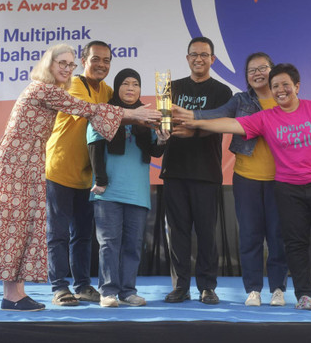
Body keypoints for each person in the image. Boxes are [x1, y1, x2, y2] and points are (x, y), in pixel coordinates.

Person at [0, 43, 161, 311]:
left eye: (70, 65)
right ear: (49, 64)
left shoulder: (88, 90)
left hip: (34, 159)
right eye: (62, 64)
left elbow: (107, 110)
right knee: (17, 225)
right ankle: (25, 293)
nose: (67, 69)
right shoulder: (44, 89)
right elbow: (87, 109)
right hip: (19, 160)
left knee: (25, 226)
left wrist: (148, 118)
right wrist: (134, 114)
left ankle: (19, 293)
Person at [180, 63, 311, 311]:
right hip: (288, 189)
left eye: (285, 85)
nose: (280, 90)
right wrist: (194, 119)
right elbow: (229, 125)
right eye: (275, 86)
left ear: (297, 86)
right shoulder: (266, 118)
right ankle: (305, 295)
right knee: (295, 244)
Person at [173, 52, 288, 307]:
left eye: (263, 68)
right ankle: (254, 290)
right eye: (251, 70)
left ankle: (278, 288)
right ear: (246, 77)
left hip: (281, 179)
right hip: (246, 178)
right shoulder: (240, 101)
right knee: (249, 235)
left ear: (273, 70)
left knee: (278, 236)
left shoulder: (285, 100)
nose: (257, 73)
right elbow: (216, 114)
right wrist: (189, 116)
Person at [87, 68, 170, 307]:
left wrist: (163, 139)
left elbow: (154, 151)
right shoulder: (105, 112)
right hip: (108, 191)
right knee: (109, 243)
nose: (131, 88)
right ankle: (108, 291)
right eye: (125, 83)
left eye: (135, 84)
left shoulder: (149, 115)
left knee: (133, 244)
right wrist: (100, 181)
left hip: (138, 192)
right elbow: (93, 145)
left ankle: (127, 291)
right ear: (117, 87)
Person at [160, 36, 232, 305]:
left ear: (212, 59)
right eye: (194, 54)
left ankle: (207, 287)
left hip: (207, 172)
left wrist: (194, 131)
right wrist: (162, 128)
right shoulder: (170, 87)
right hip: (175, 170)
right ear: (187, 58)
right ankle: (180, 287)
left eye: (204, 54)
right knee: (177, 233)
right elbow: (163, 121)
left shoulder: (222, 91)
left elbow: (223, 123)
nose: (199, 59)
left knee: (206, 233)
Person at [45, 40, 115, 307]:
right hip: (59, 169)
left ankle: (83, 286)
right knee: (58, 233)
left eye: (106, 60)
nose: (101, 64)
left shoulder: (107, 90)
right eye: (96, 59)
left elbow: (121, 109)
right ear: (84, 61)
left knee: (83, 236)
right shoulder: (74, 84)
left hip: (87, 177)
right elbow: (98, 115)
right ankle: (59, 287)